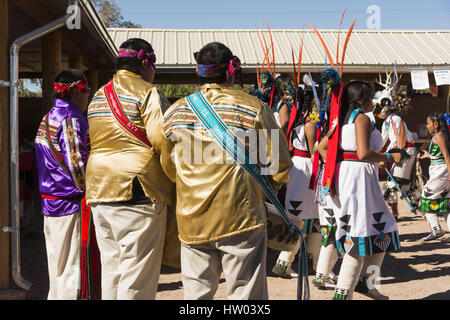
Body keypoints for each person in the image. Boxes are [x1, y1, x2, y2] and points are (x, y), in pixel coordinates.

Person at [160, 42, 292, 300]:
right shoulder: (254, 107)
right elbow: (279, 165)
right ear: (231, 70)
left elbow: (169, 166)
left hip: (191, 219)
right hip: (240, 217)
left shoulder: (175, 111)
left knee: (196, 295)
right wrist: (268, 188)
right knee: (246, 294)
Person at [85, 38, 174, 300]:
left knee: (112, 270)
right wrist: (179, 178)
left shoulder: (98, 95)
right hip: (138, 189)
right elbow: (163, 142)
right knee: (137, 276)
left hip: (99, 190)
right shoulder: (148, 92)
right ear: (146, 64)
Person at [318, 80, 407, 300]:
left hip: (351, 177)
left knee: (381, 228)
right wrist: (389, 156)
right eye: (369, 96)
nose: (373, 100)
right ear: (360, 99)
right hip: (358, 180)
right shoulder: (361, 119)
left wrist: (338, 166)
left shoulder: (340, 120)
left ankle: (366, 284)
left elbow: (321, 148)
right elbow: (363, 153)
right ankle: (343, 294)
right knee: (359, 234)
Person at [34, 69, 90, 299]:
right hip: (68, 203)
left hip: (51, 201)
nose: (89, 96)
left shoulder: (49, 116)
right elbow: (77, 164)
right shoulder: (71, 118)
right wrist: (90, 189)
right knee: (70, 271)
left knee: (57, 269)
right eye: (87, 91)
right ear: (78, 91)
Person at [272, 80, 322, 279]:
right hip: (305, 169)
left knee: (306, 214)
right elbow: (313, 153)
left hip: (297, 167)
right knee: (300, 215)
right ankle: (283, 264)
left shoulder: (297, 121)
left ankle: (310, 261)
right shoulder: (309, 124)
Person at [375, 88, 417, 220]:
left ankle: (419, 199)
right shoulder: (386, 122)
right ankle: (394, 213)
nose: (382, 109)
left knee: (396, 183)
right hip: (401, 151)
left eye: (384, 106)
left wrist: (385, 156)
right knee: (391, 183)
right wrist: (375, 150)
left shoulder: (396, 119)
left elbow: (396, 140)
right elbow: (383, 138)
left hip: (406, 151)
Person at [417, 112, 450, 241]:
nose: (427, 126)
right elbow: (441, 156)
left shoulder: (438, 136)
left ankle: (436, 229)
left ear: (436, 124)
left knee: (425, 198)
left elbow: (447, 156)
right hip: (441, 172)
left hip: (441, 174)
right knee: (445, 202)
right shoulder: (438, 136)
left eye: (428, 123)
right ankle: (436, 229)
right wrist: (428, 155)